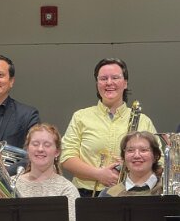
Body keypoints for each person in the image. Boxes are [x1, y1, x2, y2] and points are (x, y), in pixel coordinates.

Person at [61, 58, 158, 197]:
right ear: (97, 84)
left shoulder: (143, 121)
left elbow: (158, 160)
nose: (109, 82)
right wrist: (98, 174)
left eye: (115, 78)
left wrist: (132, 166)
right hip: (86, 195)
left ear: (125, 83)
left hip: (132, 195)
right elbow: (66, 157)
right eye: (103, 78)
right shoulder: (80, 117)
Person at [15, 124, 80, 221]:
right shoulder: (12, 184)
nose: (40, 149)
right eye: (35, 144)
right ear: (27, 149)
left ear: (57, 152)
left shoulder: (67, 190)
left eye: (47, 145)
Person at [99, 131, 162, 197]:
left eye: (143, 150)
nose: (136, 156)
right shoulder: (109, 194)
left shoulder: (166, 190)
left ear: (155, 156)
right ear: (123, 157)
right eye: (130, 150)